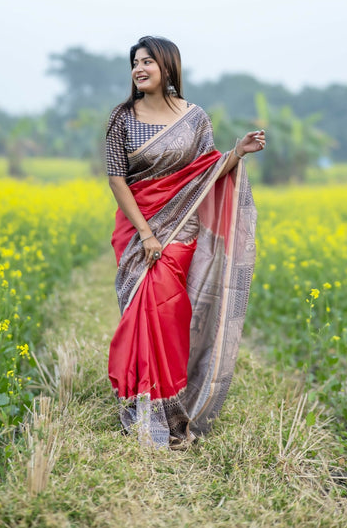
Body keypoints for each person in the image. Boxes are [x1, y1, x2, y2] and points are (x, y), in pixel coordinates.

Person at [105, 36, 264, 449]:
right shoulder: (121, 118)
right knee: (139, 313)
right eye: (134, 63)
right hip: (139, 230)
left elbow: (206, 171)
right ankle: (141, 409)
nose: (139, 69)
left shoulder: (195, 118)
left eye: (147, 63)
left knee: (168, 314)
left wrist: (238, 152)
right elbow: (117, 179)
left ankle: (171, 411)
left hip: (180, 232)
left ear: (168, 67)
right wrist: (145, 233)